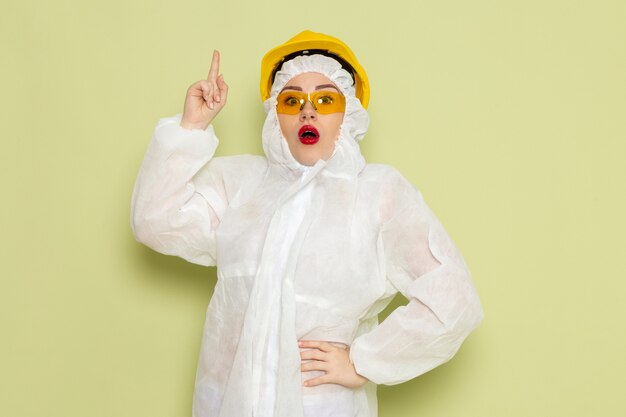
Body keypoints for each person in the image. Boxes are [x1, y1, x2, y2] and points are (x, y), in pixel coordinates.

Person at [130, 30, 484, 417]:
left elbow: (454, 298)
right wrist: (191, 128)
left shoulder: (378, 194)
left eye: (325, 100)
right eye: (292, 99)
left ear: (347, 113)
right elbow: (154, 221)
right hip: (227, 404)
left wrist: (363, 362)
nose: (307, 111)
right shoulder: (242, 184)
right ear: (274, 114)